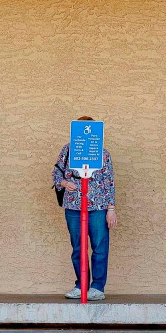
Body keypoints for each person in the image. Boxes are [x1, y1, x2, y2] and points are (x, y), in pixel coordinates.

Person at [53, 116, 117, 301]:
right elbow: (56, 173)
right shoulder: (68, 150)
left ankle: (97, 287)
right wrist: (65, 183)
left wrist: (111, 208)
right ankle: (81, 285)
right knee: (77, 247)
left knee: (99, 247)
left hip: (98, 206)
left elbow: (109, 181)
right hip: (73, 205)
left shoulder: (102, 153)